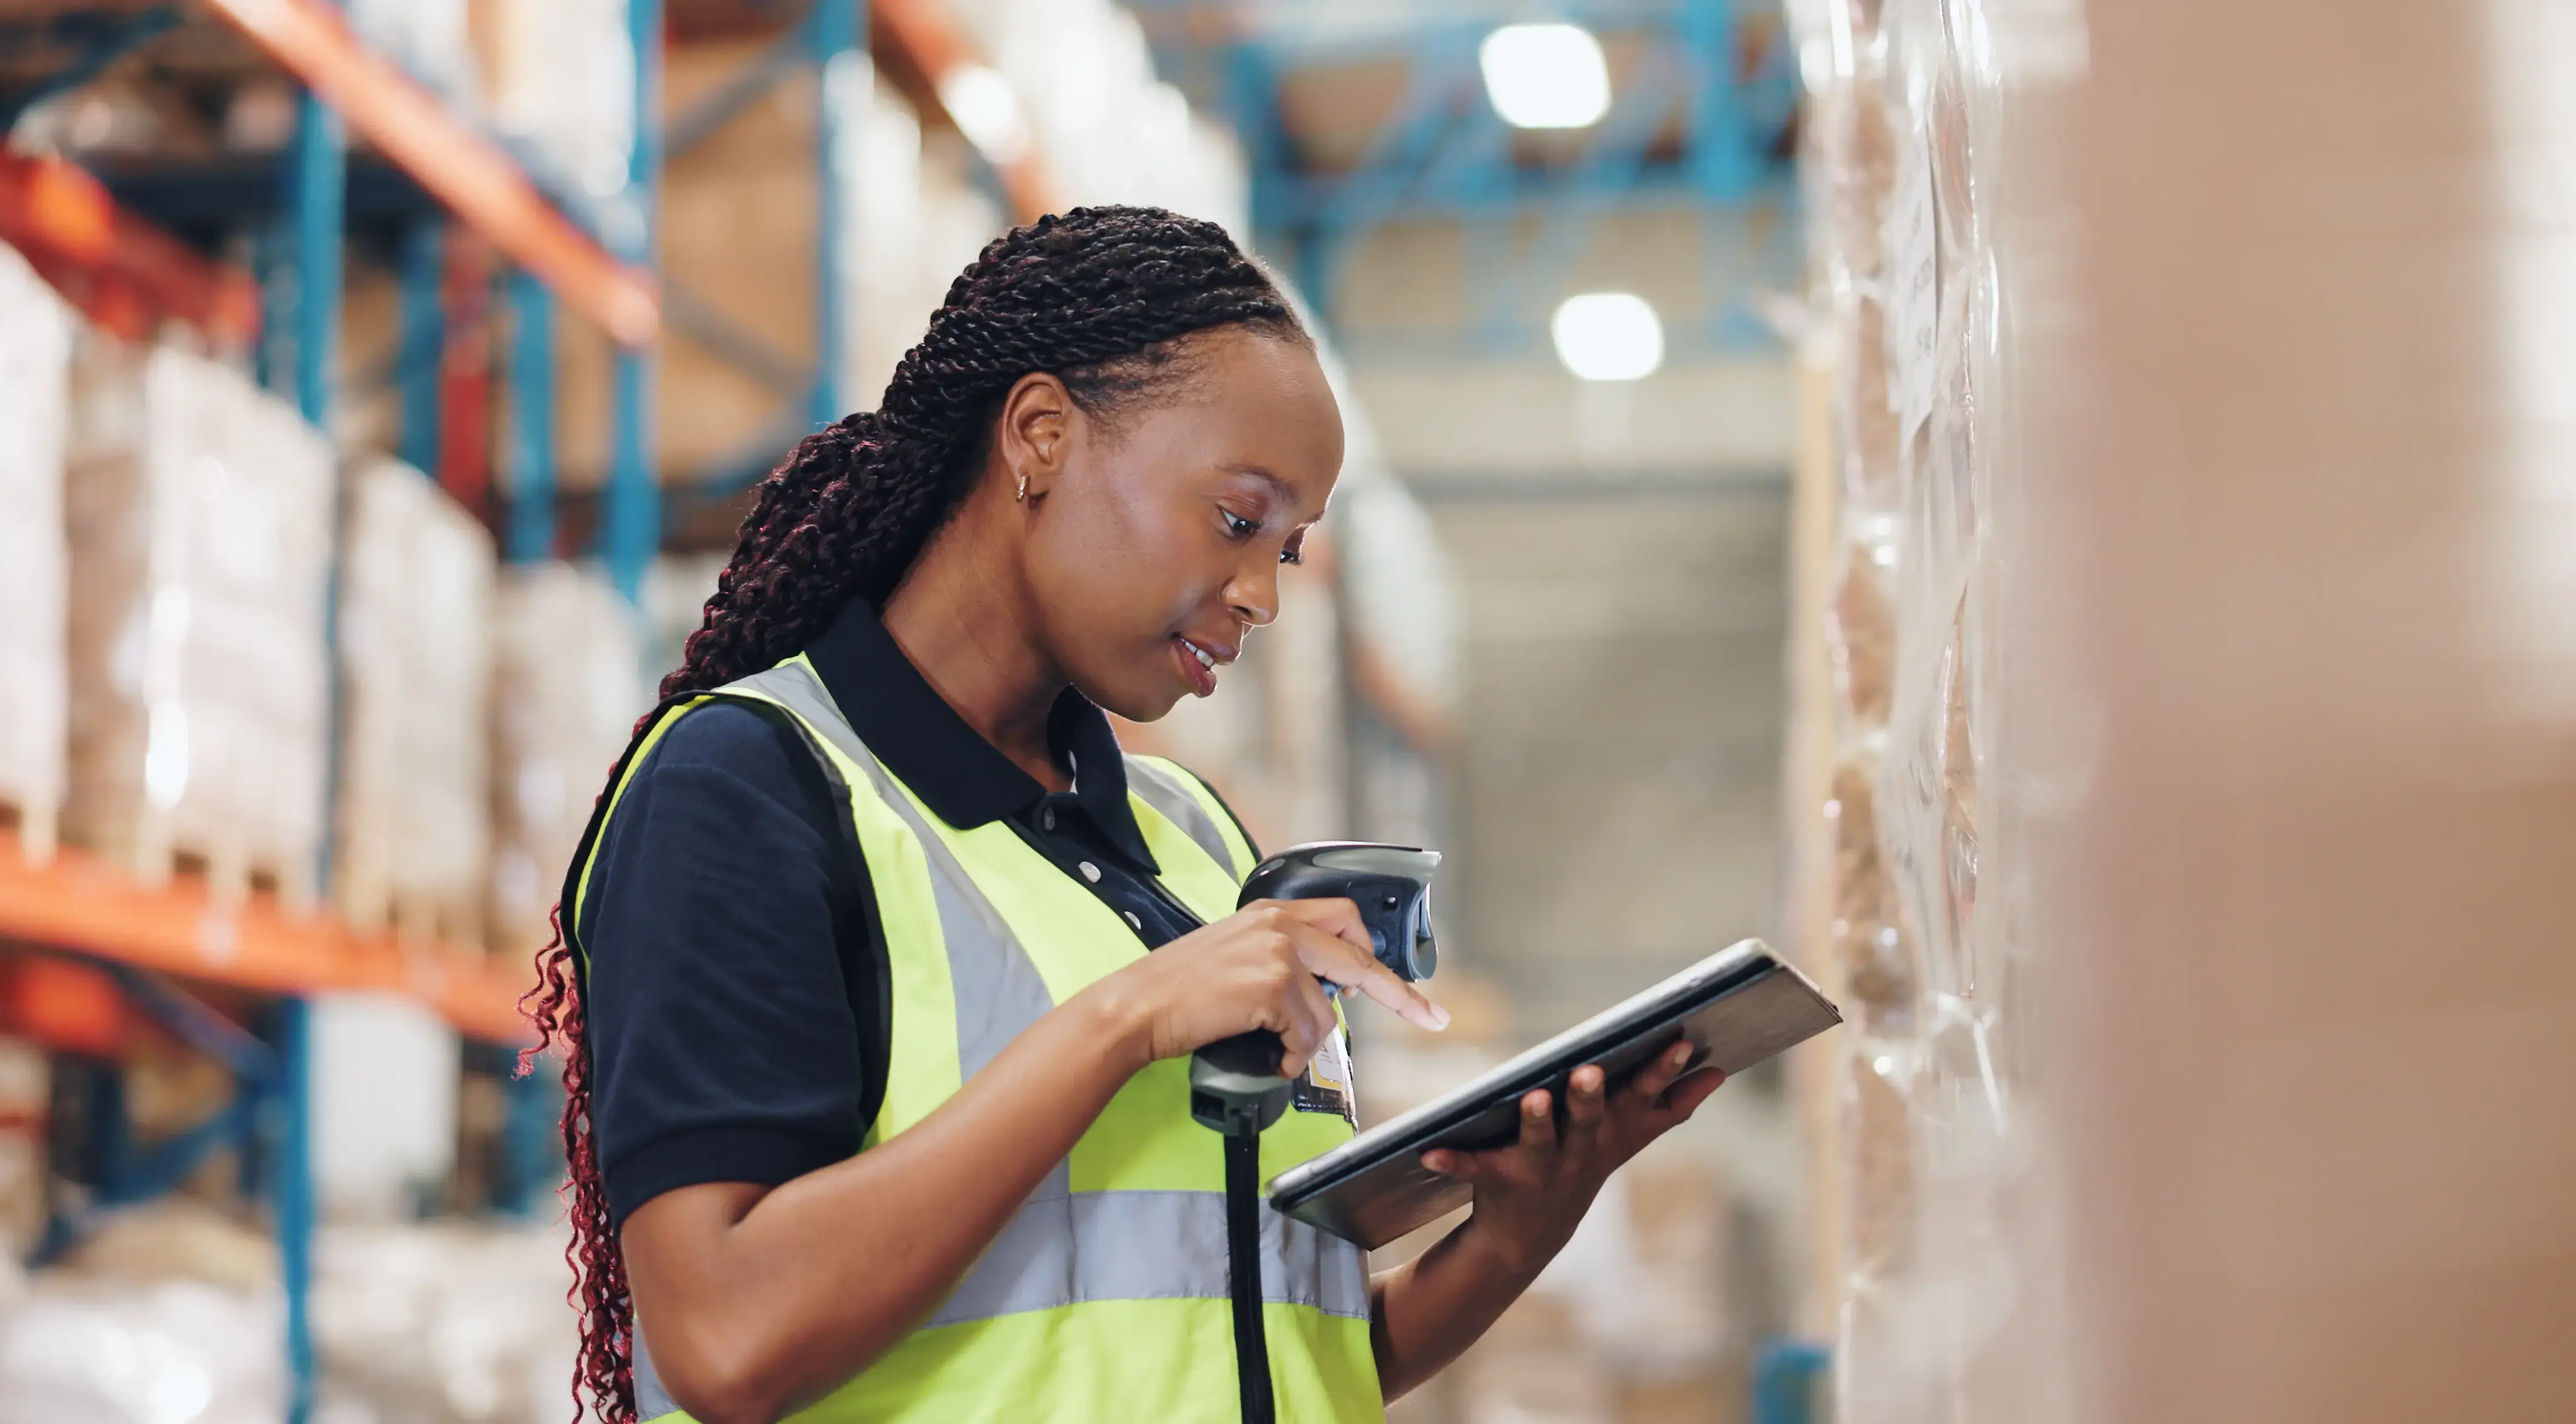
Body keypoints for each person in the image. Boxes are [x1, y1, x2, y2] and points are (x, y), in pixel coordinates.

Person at [522, 206, 1726, 1424]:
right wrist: (1125, 1022)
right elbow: (727, 1337)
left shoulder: (1192, 841)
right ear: (1040, 436)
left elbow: (1268, 1348)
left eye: (1289, 552)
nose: (1259, 594)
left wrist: (1515, 1232)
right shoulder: (750, 788)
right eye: (1235, 519)